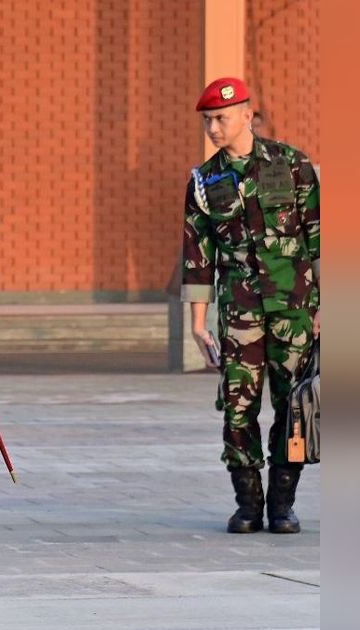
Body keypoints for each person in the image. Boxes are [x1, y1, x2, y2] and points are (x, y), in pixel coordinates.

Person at [182, 77, 319, 535]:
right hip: (240, 315)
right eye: (207, 121)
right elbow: (197, 257)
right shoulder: (204, 181)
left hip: (296, 310)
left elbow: (319, 241)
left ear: (247, 114)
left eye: (221, 118)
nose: (214, 128)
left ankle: (283, 504)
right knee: (238, 407)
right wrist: (198, 324)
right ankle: (247, 504)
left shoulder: (293, 165)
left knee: (293, 406)